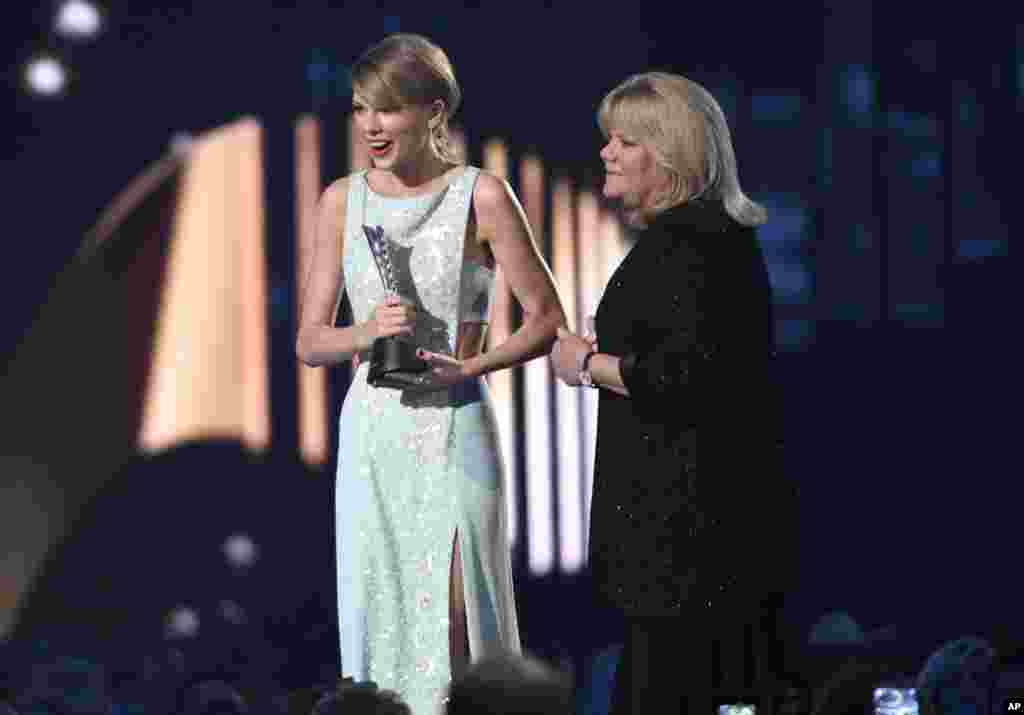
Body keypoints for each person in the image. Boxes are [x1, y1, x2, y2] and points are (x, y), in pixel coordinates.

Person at [296, 34, 566, 715]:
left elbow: (544, 318)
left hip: (457, 424)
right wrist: (366, 332)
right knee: (382, 615)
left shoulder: (484, 195)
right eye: (361, 110)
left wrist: (470, 366)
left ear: (433, 111)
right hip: (375, 429)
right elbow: (309, 340)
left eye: (387, 110)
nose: (371, 127)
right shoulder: (340, 202)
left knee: (455, 618)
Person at [552, 71, 799, 713]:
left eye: (623, 141)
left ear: (669, 155)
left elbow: (684, 377)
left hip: (683, 548)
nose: (605, 152)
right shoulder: (711, 239)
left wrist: (588, 362)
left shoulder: (688, 243)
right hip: (697, 544)